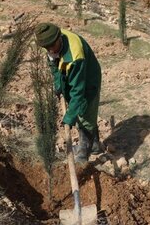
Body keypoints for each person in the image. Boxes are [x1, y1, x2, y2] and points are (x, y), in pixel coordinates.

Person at [34, 22, 104, 162]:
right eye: (47, 48)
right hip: (71, 72)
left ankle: (84, 154)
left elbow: (78, 91)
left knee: (85, 111)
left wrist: (69, 117)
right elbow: (53, 64)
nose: (51, 50)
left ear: (59, 37)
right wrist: (58, 83)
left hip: (88, 79)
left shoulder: (75, 55)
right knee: (77, 108)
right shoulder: (49, 43)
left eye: (52, 46)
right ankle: (95, 146)